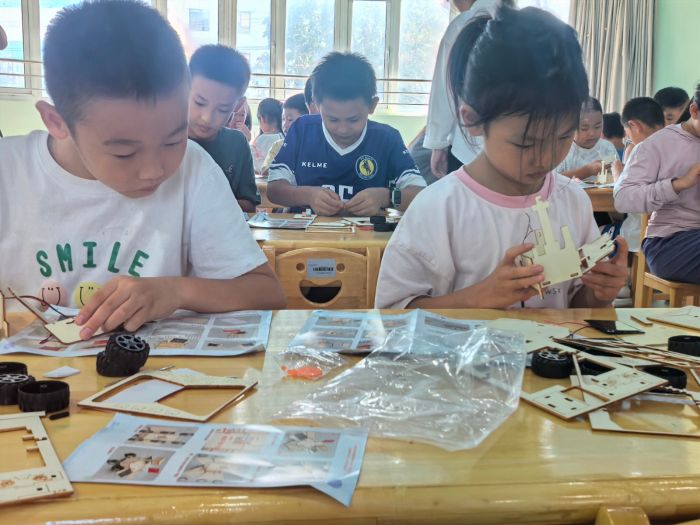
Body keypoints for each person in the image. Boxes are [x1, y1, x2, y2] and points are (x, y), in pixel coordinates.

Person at [0, 1, 285, 339]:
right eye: (125, 152)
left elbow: (267, 292)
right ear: (57, 121)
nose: (153, 171)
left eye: (173, 140)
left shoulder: (193, 168)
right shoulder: (10, 172)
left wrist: (176, 291)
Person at [375, 6, 628, 309]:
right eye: (526, 143)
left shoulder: (572, 201)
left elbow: (575, 306)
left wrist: (598, 294)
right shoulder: (439, 208)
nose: (545, 158)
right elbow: (393, 313)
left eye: (563, 137)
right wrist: (480, 297)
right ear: (472, 120)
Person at [267, 52, 425, 216]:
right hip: (308, 231)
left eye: (353, 120)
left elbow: (420, 194)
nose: (343, 129)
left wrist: (386, 197)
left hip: (366, 232)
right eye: (332, 120)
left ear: (372, 105)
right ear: (317, 104)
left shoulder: (386, 139)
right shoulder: (303, 130)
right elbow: (273, 190)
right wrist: (307, 195)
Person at [615, 85, 700, 285]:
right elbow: (622, 198)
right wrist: (678, 185)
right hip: (669, 242)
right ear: (694, 111)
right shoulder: (659, 143)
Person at [424, 0, 513, 179]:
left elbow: (445, 90)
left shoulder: (462, 24)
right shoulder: (522, 25)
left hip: (465, 149)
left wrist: (438, 143)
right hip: (513, 148)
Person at [187, 45, 260, 212]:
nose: (207, 118)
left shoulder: (236, 144)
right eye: (199, 103)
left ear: (239, 105)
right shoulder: (163, 140)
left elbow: (249, 204)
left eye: (222, 109)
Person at [557, 97, 619, 180]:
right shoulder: (561, 149)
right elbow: (551, 180)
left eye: (597, 126)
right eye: (584, 128)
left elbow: (617, 173)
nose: (592, 133)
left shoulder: (607, 148)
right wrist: (588, 171)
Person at [251, 98, 285, 174]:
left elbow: (254, 167)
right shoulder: (284, 138)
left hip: (261, 179)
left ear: (262, 118)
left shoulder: (261, 139)